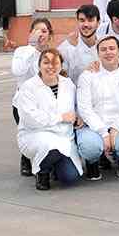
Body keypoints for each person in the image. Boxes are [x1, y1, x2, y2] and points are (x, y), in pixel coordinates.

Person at [76, 35, 119, 180]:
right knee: (90, 147)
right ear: (98, 53)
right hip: (92, 126)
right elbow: (85, 108)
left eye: (112, 48)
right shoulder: (87, 76)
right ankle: (92, 162)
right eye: (103, 49)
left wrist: (117, 127)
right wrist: (103, 133)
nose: (108, 52)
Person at [15, 48, 81, 190]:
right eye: (46, 62)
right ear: (39, 66)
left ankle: (52, 164)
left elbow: (76, 107)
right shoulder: (28, 87)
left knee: (70, 177)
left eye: (55, 62)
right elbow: (31, 119)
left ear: (61, 65)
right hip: (36, 135)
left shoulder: (68, 85)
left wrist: (78, 116)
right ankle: (42, 172)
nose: (51, 66)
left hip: (64, 136)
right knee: (50, 145)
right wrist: (60, 117)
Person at [12, 18, 55, 176]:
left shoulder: (52, 55)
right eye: (36, 31)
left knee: (44, 133)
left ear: (50, 35)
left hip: (45, 104)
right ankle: (25, 158)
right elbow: (18, 71)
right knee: (28, 132)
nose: (40, 35)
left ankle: (44, 163)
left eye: (44, 31)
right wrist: (32, 47)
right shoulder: (22, 52)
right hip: (22, 104)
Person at [58, 4, 100, 85]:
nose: (86, 24)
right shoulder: (66, 48)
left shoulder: (105, 46)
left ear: (98, 23)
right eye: (82, 20)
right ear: (77, 22)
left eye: (90, 20)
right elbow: (61, 79)